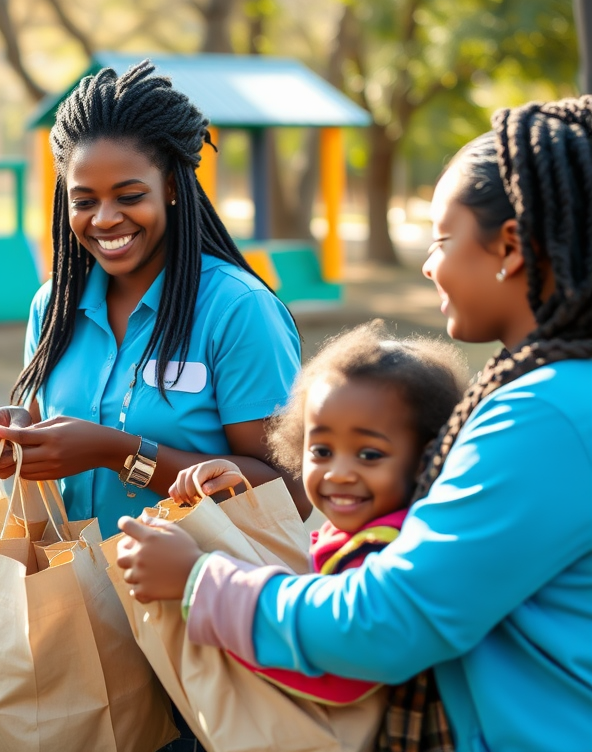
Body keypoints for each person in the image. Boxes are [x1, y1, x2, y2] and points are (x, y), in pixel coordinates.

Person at [116, 97, 592, 751]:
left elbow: (386, 622)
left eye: (442, 240)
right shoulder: (560, 393)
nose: (429, 265)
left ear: (509, 246)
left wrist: (200, 579)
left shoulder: (544, 414)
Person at [0, 60, 305, 535]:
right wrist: (14, 429)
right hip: (71, 595)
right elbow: (52, 422)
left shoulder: (237, 310)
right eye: (84, 201)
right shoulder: (53, 307)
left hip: (193, 595)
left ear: (170, 186)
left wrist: (120, 453)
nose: (104, 219)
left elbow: (290, 492)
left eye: (129, 196)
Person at [169, 320, 468, 708]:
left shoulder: (385, 550)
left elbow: (341, 670)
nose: (338, 473)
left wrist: (200, 588)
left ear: (426, 456)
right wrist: (240, 497)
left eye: (369, 455)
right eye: (322, 451)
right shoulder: (368, 530)